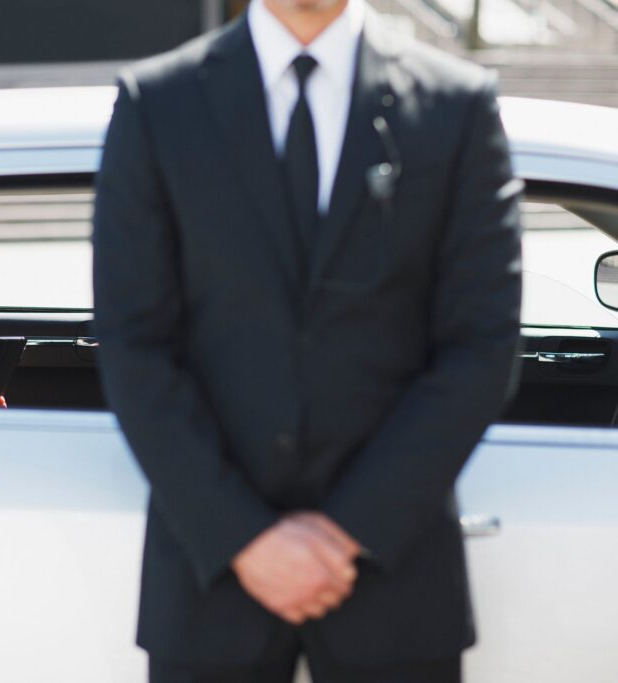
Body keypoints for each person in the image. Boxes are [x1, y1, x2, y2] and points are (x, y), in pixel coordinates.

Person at [92, 0, 523, 679]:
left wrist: (350, 530)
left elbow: (481, 344)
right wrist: (244, 537)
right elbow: (133, 341)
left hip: (394, 587)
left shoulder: (454, 105)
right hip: (212, 588)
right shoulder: (159, 103)